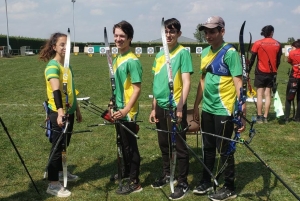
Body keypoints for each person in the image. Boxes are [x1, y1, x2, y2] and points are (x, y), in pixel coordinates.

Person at [193, 16, 246, 201]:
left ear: (222, 31)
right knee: (207, 147)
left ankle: (229, 187)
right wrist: (195, 105)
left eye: (212, 31)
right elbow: (202, 80)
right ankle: (206, 180)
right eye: (206, 31)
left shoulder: (230, 52)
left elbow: (238, 81)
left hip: (224, 109)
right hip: (207, 108)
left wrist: (242, 110)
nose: (208, 35)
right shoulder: (205, 52)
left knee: (224, 149)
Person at [149, 18, 193, 200]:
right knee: (164, 143)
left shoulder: (183, 53)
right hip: (159, 105)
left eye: (172, 32)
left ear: (178, 34)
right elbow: (155, 83)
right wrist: (153, 108)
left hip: (176, 106)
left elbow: (186, 81)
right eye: (166, 32)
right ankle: (167, 174)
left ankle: (182, 182)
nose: (169, 35)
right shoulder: (160, 55)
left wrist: (180, 106)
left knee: (180, 145)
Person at [39, 32, 82, 197]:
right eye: (62, 44)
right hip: (58, 112)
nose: (65, 47)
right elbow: (56, 91)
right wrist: (61, 113)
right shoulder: (53, 66)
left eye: (67, 44)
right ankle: (53, 184)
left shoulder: (67, 65)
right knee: (57, 147)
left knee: (64, 145)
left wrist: (76, 109)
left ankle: (61, 172)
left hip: (68, 112)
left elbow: (70, 90)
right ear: (54, 47)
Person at [109, 20, 143, 195]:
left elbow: (137, 89)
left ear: (129, 38)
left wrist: (126, 109)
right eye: (116, 35)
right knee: (122, 144)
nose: (118, 39)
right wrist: (112, 104)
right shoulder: (117, 58)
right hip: (118, 108)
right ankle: (126, 172)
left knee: (130, 146)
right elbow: (117, 86)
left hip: (128, 111)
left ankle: (135, 182)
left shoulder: (132, 60)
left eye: (122, 36)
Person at [248, 25, 282, 123]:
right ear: (272, 32)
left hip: (260, 72)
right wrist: (275, 71)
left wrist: (248, 71)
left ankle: (259, 117)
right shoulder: (278, 44)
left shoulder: (258, 43)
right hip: (271, 73)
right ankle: (266, 117)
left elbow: (252, 59)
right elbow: (278, 61)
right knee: (268, 94)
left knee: (259, 94)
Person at [284, 39, 300, 122]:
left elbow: (289, 61)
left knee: (289, 97)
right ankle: (298, 118)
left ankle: (286, 117)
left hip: (294, 77)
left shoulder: (292, 53)